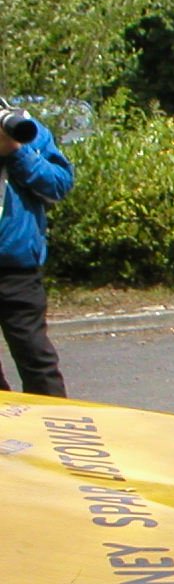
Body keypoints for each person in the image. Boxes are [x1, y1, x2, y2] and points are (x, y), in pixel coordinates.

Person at [0, 111, 74, 396]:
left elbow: (58, 185)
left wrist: (16, 152)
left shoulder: (28, 129)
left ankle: (53, 424)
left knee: (35, 358)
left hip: (17, 268)